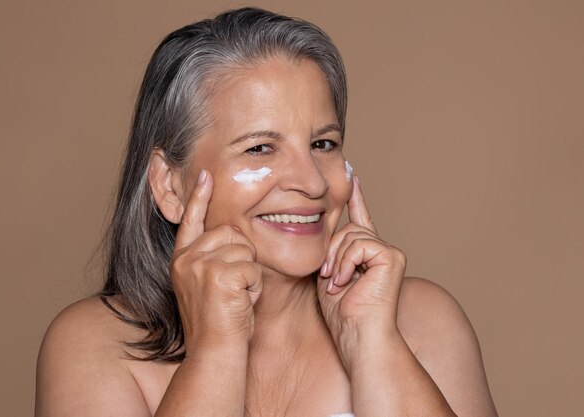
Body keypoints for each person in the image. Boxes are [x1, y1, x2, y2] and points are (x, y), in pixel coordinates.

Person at [35, 7, 498, 417]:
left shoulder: (422, 321)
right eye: (260, 148)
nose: (314, 182)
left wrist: (374, 344)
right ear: (169, 186)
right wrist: (214, 353)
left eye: (323, 144)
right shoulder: (93, 345)